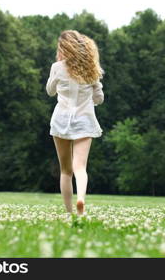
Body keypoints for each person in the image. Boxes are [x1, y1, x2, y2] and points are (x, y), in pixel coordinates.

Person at [46, 30, 104, 216]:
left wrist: (55, 76)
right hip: (85, 122)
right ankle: (81, 200)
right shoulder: (90, 69)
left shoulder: (57, 67)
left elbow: (50, 91)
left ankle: (69, 212)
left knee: (65, 170)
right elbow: (99, 99)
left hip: (61, 121)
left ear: (63, 48)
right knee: (80, 167)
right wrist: (94, 92)